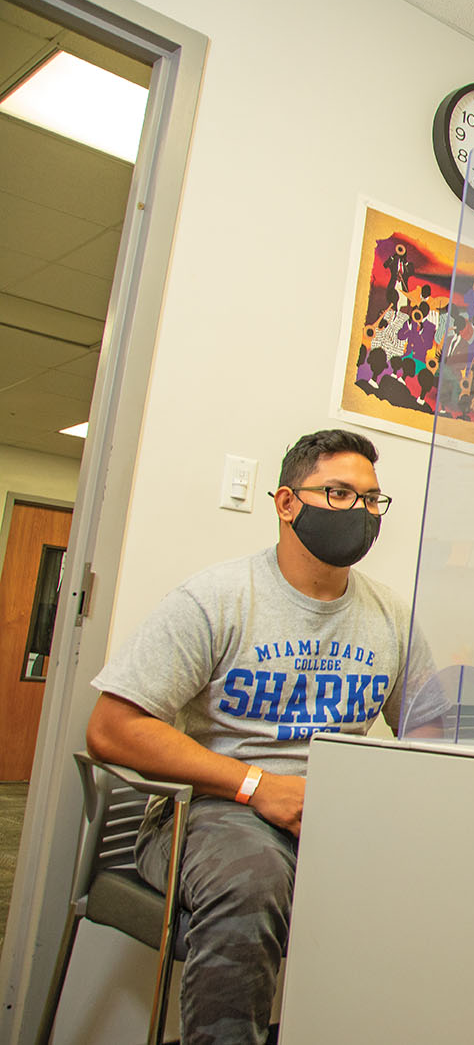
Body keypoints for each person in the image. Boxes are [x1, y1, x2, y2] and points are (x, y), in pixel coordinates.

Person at [85, 429, 441, 1045]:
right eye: (338, 493)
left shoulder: (391, 617)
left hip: (333, 817)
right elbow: (112, 729)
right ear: (285, 503)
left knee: (441, 885)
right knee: (254, 880)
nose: (358, 512)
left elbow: (428, 731)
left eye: (371, 500)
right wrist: (257, 786)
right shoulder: (217, 598)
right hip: (211, 813)